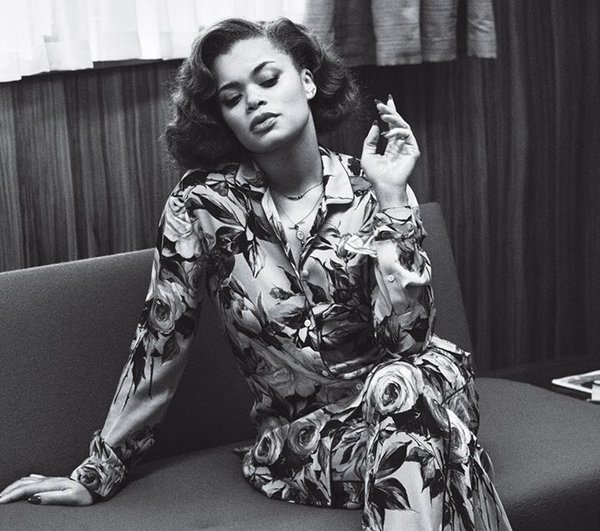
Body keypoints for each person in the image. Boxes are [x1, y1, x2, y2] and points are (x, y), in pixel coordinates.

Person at [0, 17, 511, 530]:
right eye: (232, 97)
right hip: (312, 445)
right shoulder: (203, 205)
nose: (254, 101)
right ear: (224, 118)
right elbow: (161, 340)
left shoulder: (374, 186)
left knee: (401, 386)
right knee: (431, 447)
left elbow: (409, 342)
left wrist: (394, 199)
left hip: (415, 395)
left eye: (268, 79)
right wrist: (98, 472)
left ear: (307, 82)